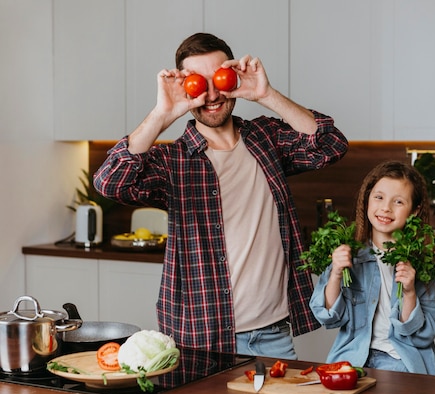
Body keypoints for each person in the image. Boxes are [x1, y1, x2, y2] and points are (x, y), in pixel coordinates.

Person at [94, 33, 348, 359]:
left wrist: (265, 94)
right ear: (186, 87)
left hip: (274, 333)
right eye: (199, 83)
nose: (212, 94)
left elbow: (331, 144)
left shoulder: (266, 139)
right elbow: (110, 182)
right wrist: (162, 113)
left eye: (219, 79)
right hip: (201, 337)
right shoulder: (174, 161)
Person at [310, 161, 435, 374]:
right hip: (353, 358)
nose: (385, 208)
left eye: (398, 201)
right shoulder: (348, 254)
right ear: (367, 200)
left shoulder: (424, 265)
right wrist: (335, 273)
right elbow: (329, 317)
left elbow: (423, 335)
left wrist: (409, 292)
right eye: (379, 197)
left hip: (401, 361)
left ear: (415, 211)